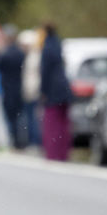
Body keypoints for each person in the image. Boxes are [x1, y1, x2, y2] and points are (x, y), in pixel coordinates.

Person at [39, 23, 73, 161]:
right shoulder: (58, 45)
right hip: (64, 87)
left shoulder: (46, 48)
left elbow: (45, 72)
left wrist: (43, 90)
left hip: (53, 90)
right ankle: (63, 152)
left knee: (52, 123)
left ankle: (53, 153)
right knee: (63, 123)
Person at [0, 25, 27, 148]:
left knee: (11, 116)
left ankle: (15, 141)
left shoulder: (5, 53)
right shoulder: (20, 53)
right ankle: (22, 141)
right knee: (20, 116)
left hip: (8, 88)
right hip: (19, 88)